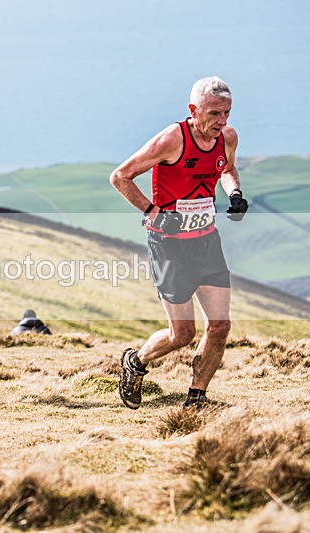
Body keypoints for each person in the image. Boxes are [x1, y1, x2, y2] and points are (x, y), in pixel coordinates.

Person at [109, 76, 249, 410]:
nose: (223, 121)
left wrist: (235, 193)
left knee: (219, 326)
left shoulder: (227, 137)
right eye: (215, 113)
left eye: (227, 112)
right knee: (182, 334)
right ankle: (137, 362)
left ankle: (196, 398)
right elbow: (120, 177)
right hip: (169, 245)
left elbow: (226, 169)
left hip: (206, 241)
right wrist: (153, 211)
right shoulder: (173, 139)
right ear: (193, 110)